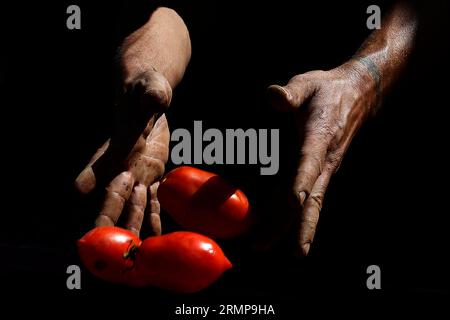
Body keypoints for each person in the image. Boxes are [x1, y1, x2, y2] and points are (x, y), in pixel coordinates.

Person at [74, 1, 418, 256]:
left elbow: (422, 12)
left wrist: (363, 81)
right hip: (179, 204)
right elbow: (174, 15)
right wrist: (151, 69)